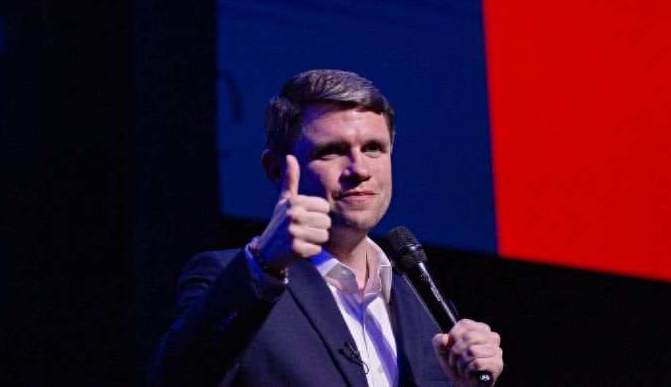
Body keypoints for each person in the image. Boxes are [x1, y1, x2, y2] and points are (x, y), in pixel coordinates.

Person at [148, 69, 504, 386]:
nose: (359, 169)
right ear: (276, 170)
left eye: (373, 148)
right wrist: (263, 265)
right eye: (332, 151)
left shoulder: (423, 309)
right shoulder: (230, 278)